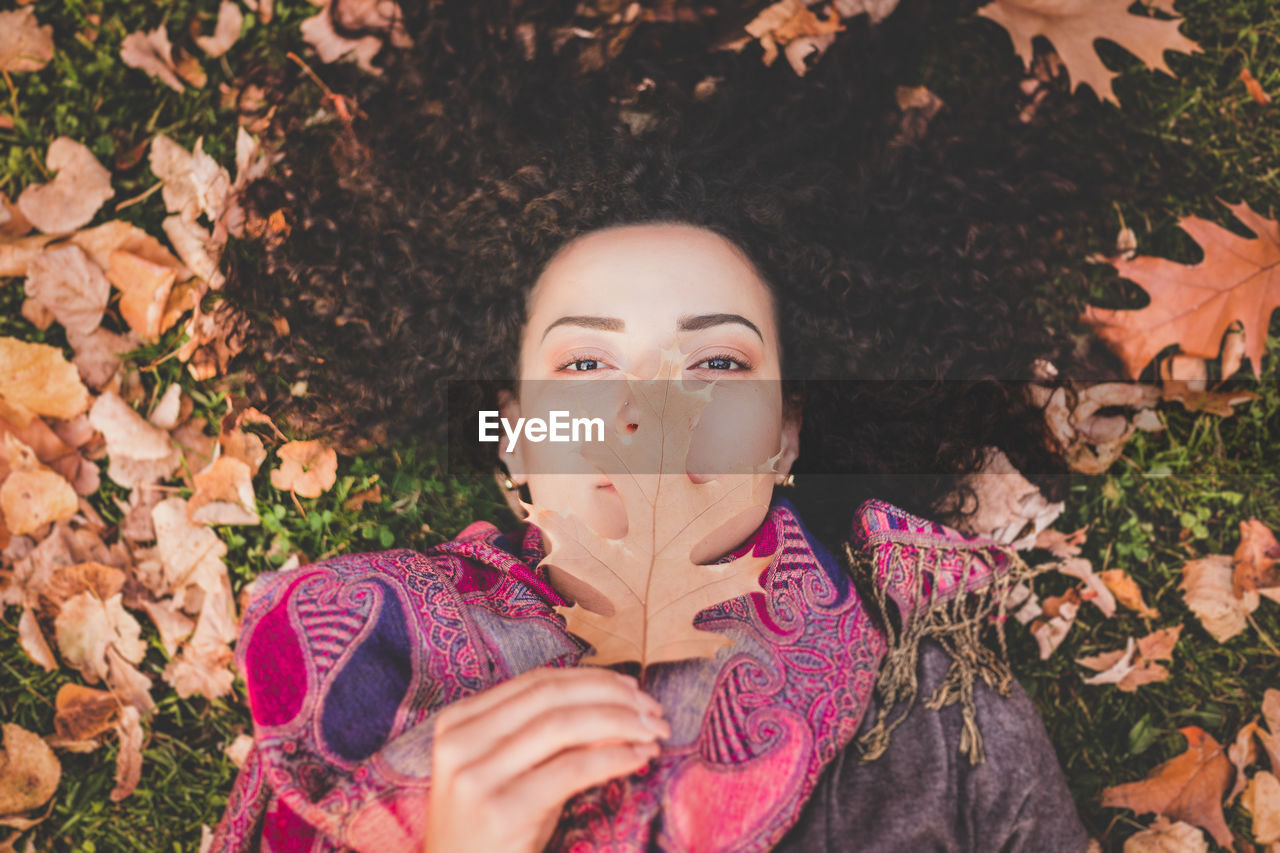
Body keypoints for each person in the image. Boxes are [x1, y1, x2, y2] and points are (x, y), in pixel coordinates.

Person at [208, 2, 1113, 849]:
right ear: (513, 433)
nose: (646, 413)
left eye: (716, 365)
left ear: (785, 436)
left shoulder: (946, 709)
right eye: (585, 366)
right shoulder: (372, 681)